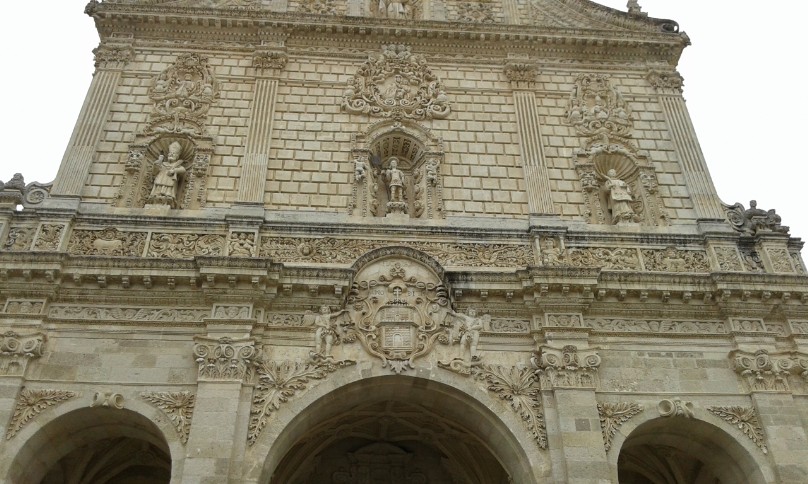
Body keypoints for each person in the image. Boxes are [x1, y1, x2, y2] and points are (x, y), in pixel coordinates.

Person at [148, 141, 187, 208]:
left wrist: (174, 170)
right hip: (159, 180)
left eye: (173, 154)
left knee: (168, 192)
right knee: (157, 190)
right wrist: (158, 162)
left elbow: (183, 170)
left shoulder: (177, 165)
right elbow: (155, 171)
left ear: (177, 156)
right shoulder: (163, 164)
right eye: (170, 153)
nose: (171, 155)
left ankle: (168, 198)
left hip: (170, 182)